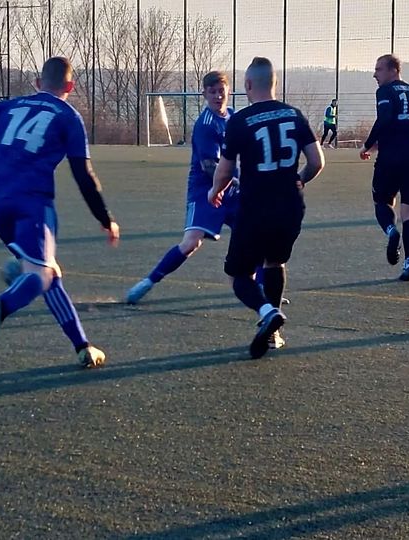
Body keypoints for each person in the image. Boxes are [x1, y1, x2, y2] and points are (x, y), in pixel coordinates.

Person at [0, 56, 121, 369]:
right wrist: (105, 218)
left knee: (48, 271)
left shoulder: (8, 107)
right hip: (32, 203)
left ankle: (82, 346)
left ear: (37, 83)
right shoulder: (68, 116)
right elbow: (83, 175)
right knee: (41, 275)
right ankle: (2, 305)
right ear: (70, 86)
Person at [208, 57, 325, 359]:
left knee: (239, 275)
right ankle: (273, 335)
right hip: (290, 205)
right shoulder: (294, 115)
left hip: (256, 206)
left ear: (248, 85)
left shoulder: (240, 120)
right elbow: (316, 162)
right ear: (274, 83)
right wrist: (299, 179)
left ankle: (267, 311)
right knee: (275, 263)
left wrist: (214, 191)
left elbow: (225, 170)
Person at [125, 71, 239, 304]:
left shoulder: (235, 118)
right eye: (213, 92)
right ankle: (148, 282)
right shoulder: (205, 125)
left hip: (232, 188)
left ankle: (264, 291)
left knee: (255, 234)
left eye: (221, 91)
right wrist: (234, 182)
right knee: (191, 242)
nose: (218, 96)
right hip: (206, 190)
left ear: (228, 90)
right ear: (204, 94)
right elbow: (209, 166)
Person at [359, 54, 409, 282]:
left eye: (379, 69)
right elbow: (405, 128)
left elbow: (385, 120)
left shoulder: (385, 91)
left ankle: (391, 231)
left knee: (382, 202)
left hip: (391, 159)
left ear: (393, 70)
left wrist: (368, 145)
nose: (375, 75)